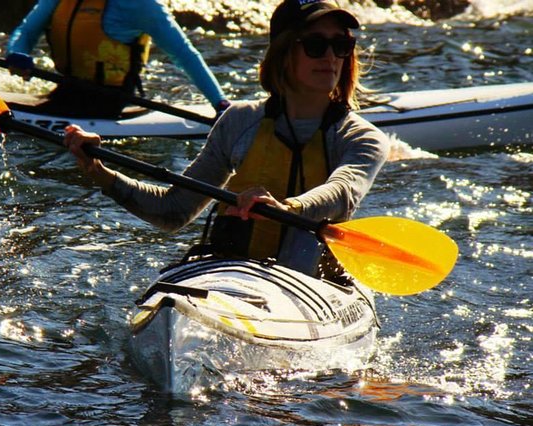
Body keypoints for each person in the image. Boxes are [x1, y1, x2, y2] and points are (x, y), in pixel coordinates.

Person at [62, 0, 390, 279]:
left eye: (341, 45)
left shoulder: (363, 139)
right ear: (283, 52)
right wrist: (99, 171)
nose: (330, 57)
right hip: (235, 275)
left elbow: (343, 190)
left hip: (312, 284)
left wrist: (287, 207)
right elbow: (173, 210)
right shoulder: (239, 121)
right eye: (316, 45)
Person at [6, 0, 230, 117]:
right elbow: (26, 31)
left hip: (109, 100)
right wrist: (17, 54)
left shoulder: (139, 5)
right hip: (67, 90)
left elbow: (183, 53)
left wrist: (219, 103)